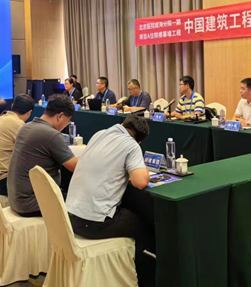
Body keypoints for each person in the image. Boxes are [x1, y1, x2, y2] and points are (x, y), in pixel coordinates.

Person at [67, 115, 154, 279]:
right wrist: (142, 165)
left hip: (71, 217)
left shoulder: (99, 134)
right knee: (146, 227)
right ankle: (137, 277)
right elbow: (141, 182)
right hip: (94, 223)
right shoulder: (131, 145)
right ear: (140, 141)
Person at [8, 94, 78, 217]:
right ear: (60, 116)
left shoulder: (26, 127)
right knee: (82, 203)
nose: (65, 126)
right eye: (67, 122)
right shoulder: (52, 135)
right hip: (33, 203)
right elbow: (75, 167)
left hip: (16, 199)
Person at [0, 94, 35, 196]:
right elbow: (31, 152)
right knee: (40, 187)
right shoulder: (18, 124)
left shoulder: (2, 118)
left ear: (12, 105)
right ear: (29, 112)